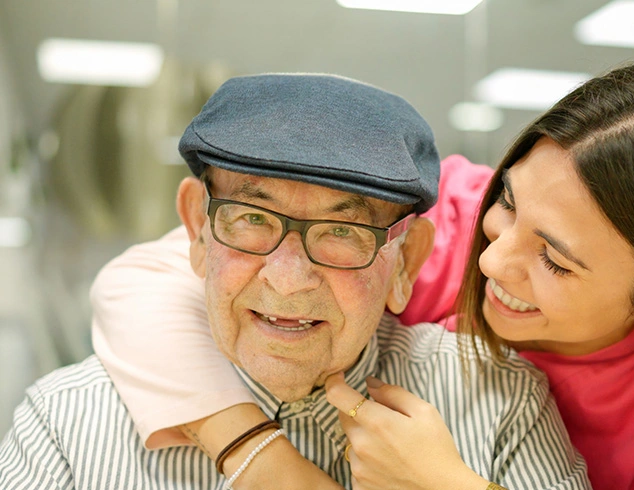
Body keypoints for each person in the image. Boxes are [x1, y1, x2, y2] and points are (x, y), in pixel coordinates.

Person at [64, 58, 634, 489]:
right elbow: (140, 281)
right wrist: (263, 461)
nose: (493, 261)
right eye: (511, 203)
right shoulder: (447, 229)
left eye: (554, 259)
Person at [0, 73, 591, 490]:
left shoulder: (498, 404)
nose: (287, 281)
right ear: (197, 232)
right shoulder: (69, 424)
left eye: (342, 231)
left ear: (405, 260)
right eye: (251, 219)